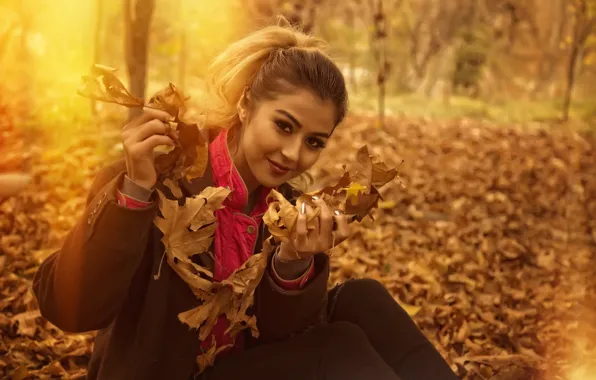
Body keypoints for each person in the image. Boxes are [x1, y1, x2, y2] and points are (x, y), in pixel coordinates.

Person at [33, 20, 459, 380]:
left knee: (363, 298)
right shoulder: (161, 175)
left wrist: (292, 261)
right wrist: (134, 193)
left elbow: (281, 339)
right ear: (244, 105)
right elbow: (69, 310)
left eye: (314, 141)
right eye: (284, 126)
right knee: (338, 347)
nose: (294, 154)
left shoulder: (284, 208)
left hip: (237, 368)